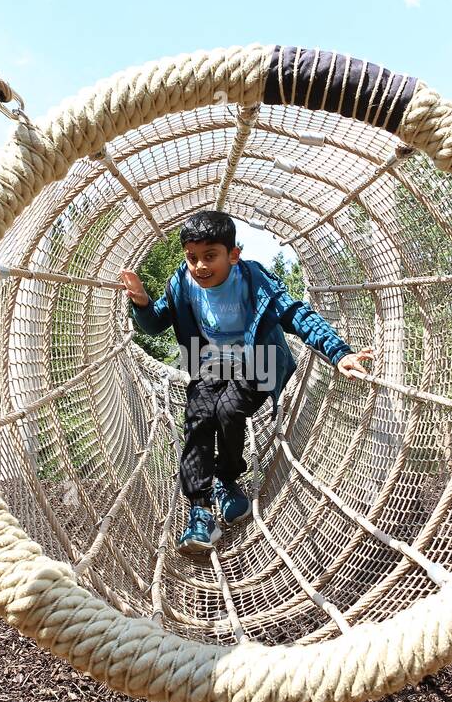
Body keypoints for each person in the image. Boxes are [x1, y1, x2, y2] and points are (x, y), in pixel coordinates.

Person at [120, 210, 374, 556]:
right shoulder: (182, 282)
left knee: (228, 410)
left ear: (233, 254)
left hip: (260, 361)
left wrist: (338, 353)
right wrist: (142, 302)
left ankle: (227, 481)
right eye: (192, 257)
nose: (200, 267)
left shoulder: (253, 280)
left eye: (210, 256)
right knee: (198, 415)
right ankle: (199, 510)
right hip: (209, 363)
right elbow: (155, 323)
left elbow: (295, 314)